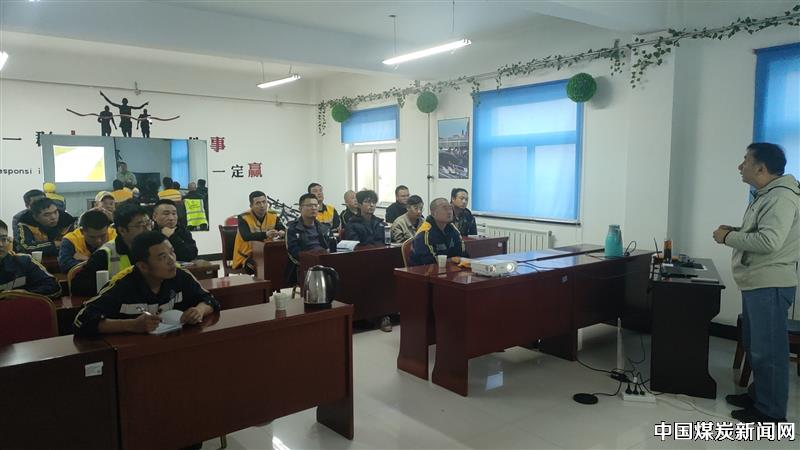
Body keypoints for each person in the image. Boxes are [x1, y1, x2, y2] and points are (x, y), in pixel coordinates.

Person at [714, 143, 799, 423]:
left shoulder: (781, 197)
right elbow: (762, 232)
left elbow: (769, 241)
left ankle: (770, 412)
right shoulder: (769, 194)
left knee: (769, 351)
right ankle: (758, 396)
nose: (741, 166)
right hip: (758, 283)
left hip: (770, 284)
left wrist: (727, 238)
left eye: (745, 161)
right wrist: (736, 231)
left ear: (761, 168)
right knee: (756, 345)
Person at [73, 231, 220, 336]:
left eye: (172, 252)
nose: (171, 260)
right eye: (162, 257)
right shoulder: (122, 285)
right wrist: (131, 325)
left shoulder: (181, 276)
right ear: (143, 266)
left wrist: (199, 310)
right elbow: (81, 320)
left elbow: (209, 300)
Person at [70, 203, 152, 296]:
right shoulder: (105, 254)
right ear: (122, 230)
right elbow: (78, 286)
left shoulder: (158, 247)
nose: (147, 229)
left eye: (148, 223)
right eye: (140, 225)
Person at [0, 219, 61, 299]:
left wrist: (27, 294)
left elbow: (53, 286)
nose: (1, 244)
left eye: (3, 239)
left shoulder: (23, 261)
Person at [232, 191, 286, 274]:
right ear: (251, 206)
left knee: (281, 262)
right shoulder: (243, 217)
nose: (262, 205)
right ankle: (261, 283)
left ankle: (273, 282)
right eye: (258, 203)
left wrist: (282, 233)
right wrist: (265, 234)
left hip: (265, 252)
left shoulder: (273, 216)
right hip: (246, 256)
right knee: (257, 266)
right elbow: (246, 236)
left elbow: (282, 228)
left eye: (264, 202)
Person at [285, 193, 331, 285]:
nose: (313, 208)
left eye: (315, 205)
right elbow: (293, 252)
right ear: (300, 208)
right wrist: (311, 258)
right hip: (306, 264)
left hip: (324, 261)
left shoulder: (324, 227)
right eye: (309, 205)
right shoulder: (292, 228)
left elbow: (330, 246)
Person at [409, 198, 467, 266]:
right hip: (423, 270)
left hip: (449, 268)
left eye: (450, 208)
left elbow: (463, 254)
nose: (449, 212)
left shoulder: (452, 228)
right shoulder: (425, 232)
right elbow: (429, 261)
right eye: (445, 208)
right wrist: (451, 260)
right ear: (433, 213)